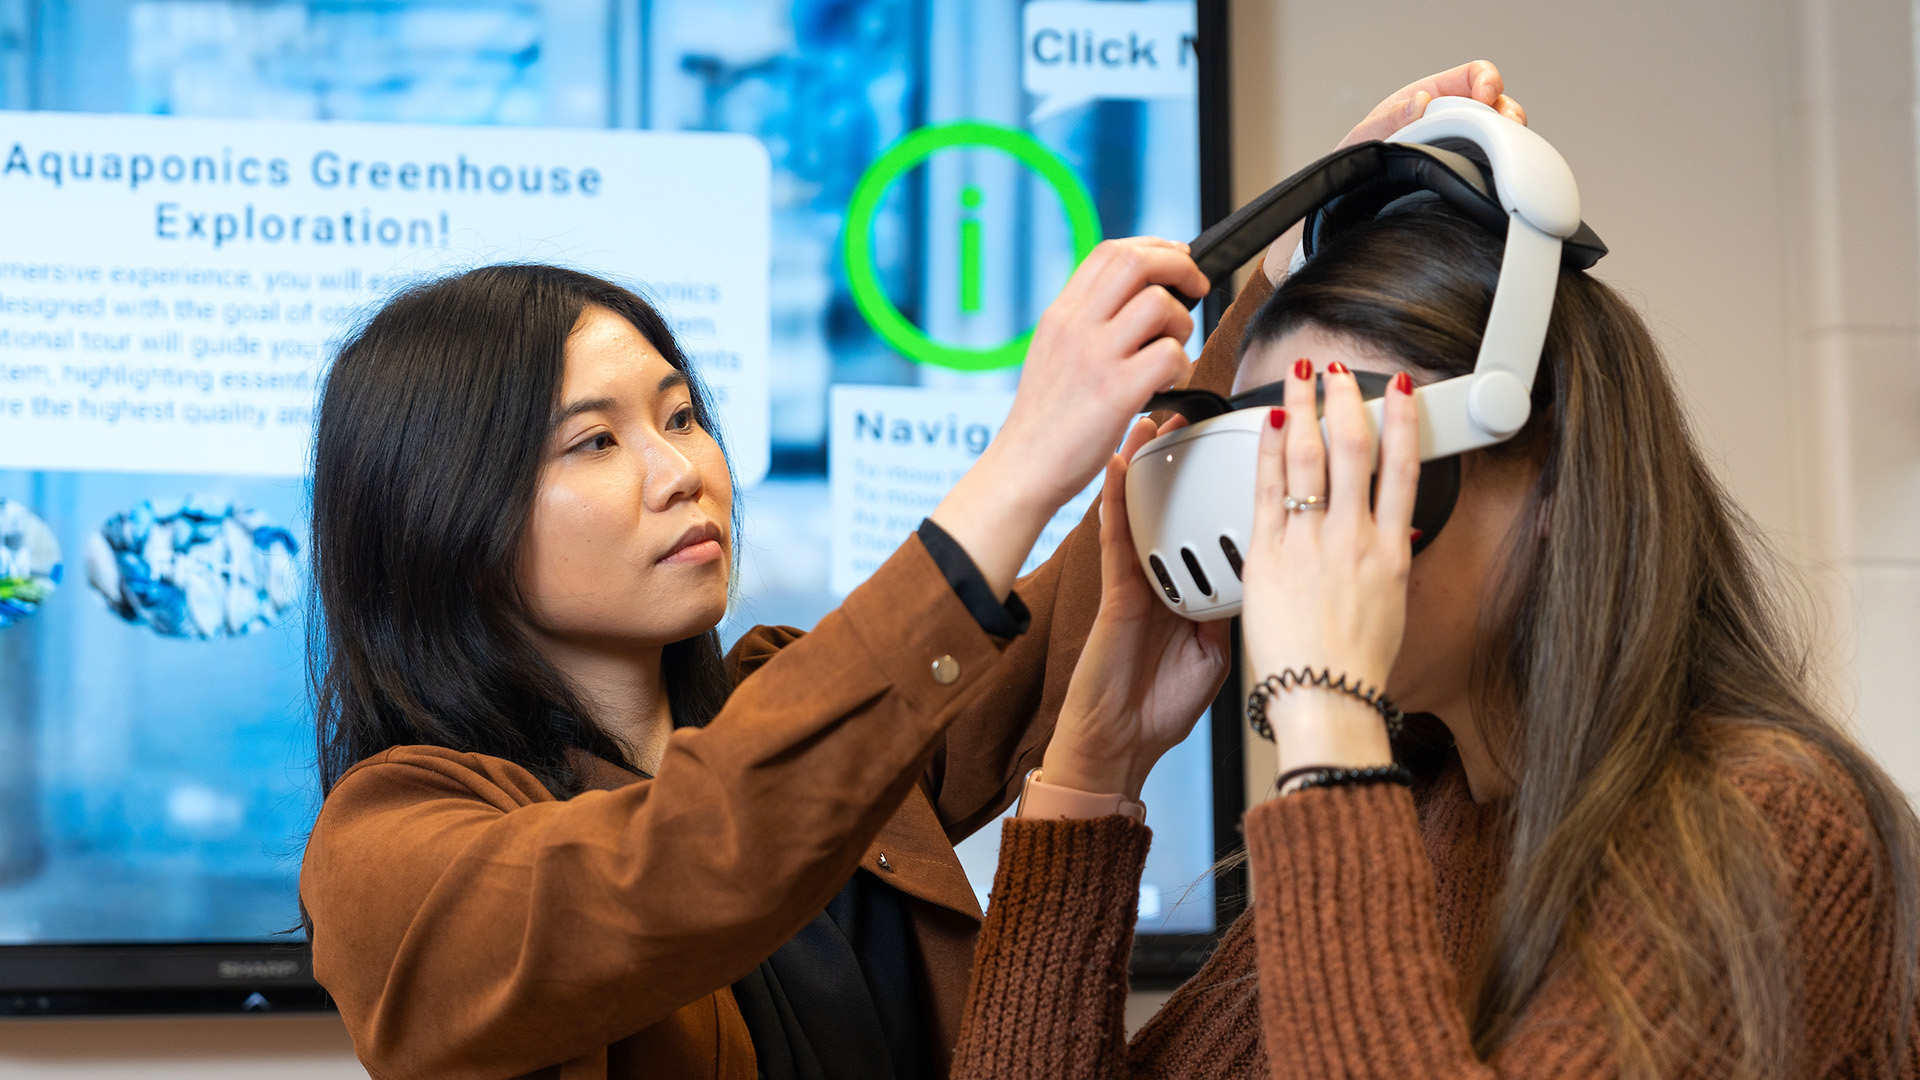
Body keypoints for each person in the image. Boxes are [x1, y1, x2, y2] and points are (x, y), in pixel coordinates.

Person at [295, 64, 1527, 1080]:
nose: (681, 470)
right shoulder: (389, 849)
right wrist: (1017, 466)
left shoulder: (793, 707)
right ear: (443, 515)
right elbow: (681, 858)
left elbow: (1081, 621)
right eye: (596, 442)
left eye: (681, 416)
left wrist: (1290, 263)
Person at [946, 180, 1920, 1075]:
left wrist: (1326, 723)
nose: (1292, 536)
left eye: (1342, 467)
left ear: (1550, 480)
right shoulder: (1408, 829)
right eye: (1273, 477)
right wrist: (1092, 768)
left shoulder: (1769, 830)